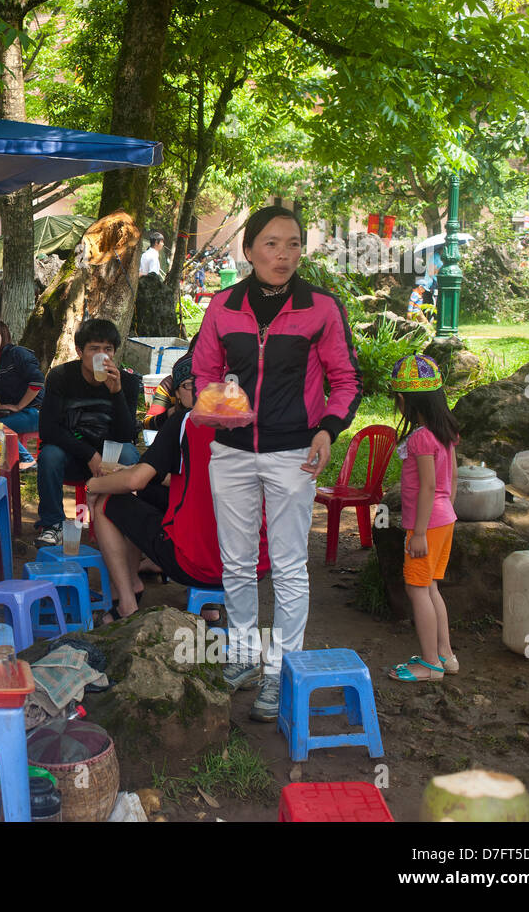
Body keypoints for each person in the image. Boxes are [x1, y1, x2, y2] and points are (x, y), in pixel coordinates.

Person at [193, 204, 362, 722]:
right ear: (248, 250)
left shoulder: (320, 308)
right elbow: (203, 374)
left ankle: (280, 669)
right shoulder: (223, 306)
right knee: (237, 563)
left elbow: (347, 381)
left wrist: (328, 430)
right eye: (271, 243)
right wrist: (216, 408)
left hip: (294, 453)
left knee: (289, 567)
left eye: (292, 244)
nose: (283, 254)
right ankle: (244, 657)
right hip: (233, 454)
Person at [87, 354, 270, 622]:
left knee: (106, 502)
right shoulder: (258, 421)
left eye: (197, 382)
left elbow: (134, 481)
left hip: (198, 567)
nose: (194, 389)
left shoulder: (186, 422)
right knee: (159, 497)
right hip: (255, 566)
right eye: (187, 384)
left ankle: (127, 600)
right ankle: (208, 606)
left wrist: (93, 484)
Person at [35, 318, 141, 547]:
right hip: (72, 454)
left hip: (109, 458)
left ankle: (120, 522)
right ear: (80, 351)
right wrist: (89, 454)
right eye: (94, 349)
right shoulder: (61, 377)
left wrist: (117, 393)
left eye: (108, 349)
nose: (102, 355)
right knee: (49, 455)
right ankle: (52, 524)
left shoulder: (128, 382)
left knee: (130, 455)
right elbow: (49, 429)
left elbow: (125, 435)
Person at [386, 354, 460, 683]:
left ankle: (429, 665)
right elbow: (452, 481)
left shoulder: (419, 438)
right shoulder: (445, 433)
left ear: (403, 400)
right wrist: (446, 514)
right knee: (431, 587)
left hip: (426, 526)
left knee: (417, 590)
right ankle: (446, 655)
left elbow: (428, 486)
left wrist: (418, 532)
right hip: (445, 520)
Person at [0, 320, 44, 467]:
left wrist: (19, 406)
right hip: (14, 412)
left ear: (4, 336)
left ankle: (27, 460)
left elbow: (37, 381)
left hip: (37, 411)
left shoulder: (17, 353)